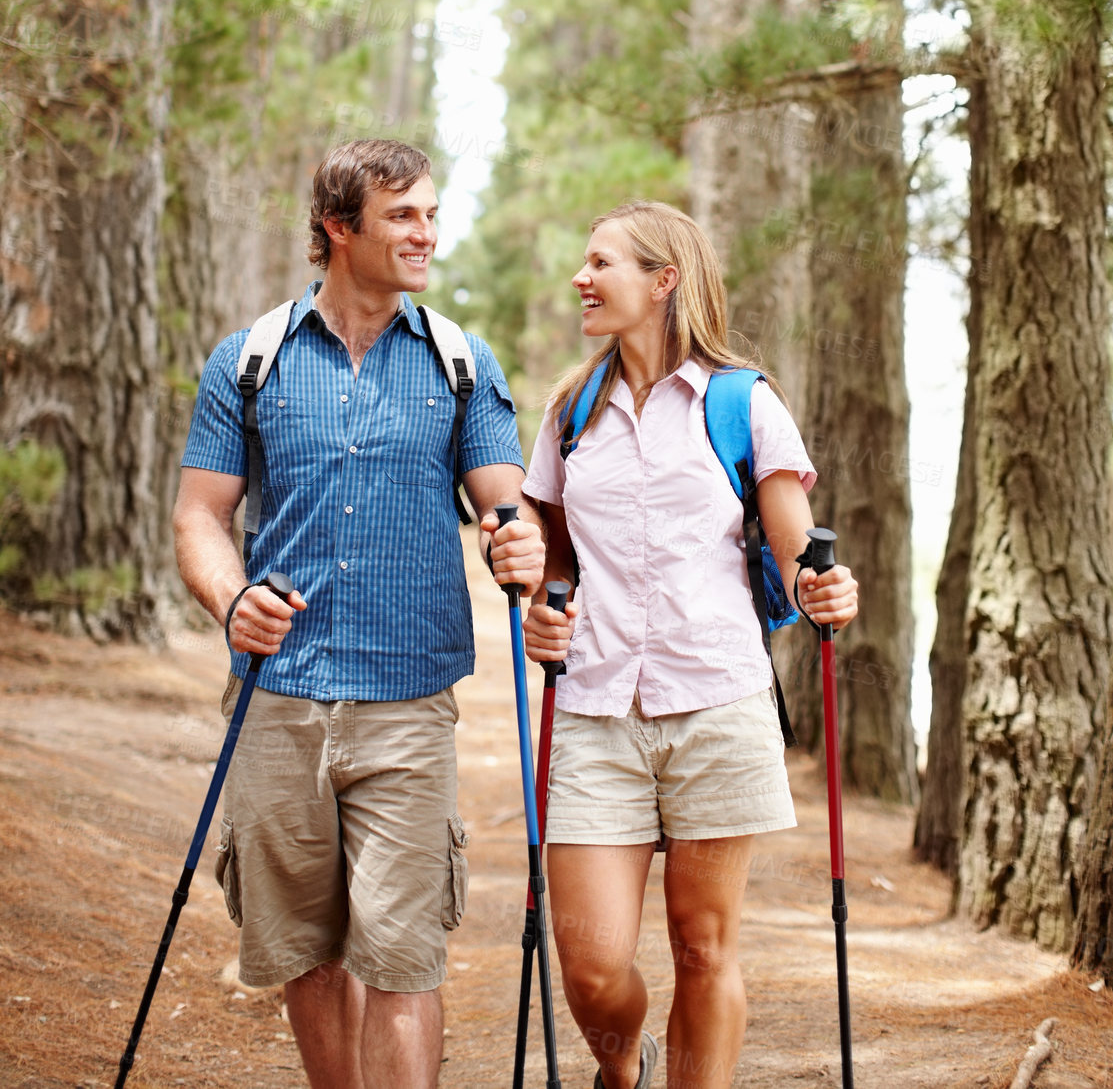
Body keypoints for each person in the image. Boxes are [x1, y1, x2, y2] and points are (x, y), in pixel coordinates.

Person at [172, 139, 545, 1089]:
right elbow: (201, 518)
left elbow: (506, 502)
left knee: (403, 955)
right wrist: (232, 598)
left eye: (430, 213)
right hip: (276, 698)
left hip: (407, 703)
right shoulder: (248, 361)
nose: (427, 233)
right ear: (341, 229)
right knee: (305, 951)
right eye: (404, 216)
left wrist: (519, 539)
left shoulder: (461, 362)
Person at [522, 200, 858, 1089]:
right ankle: (626, 1064)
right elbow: (551, 553)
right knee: (591, 968)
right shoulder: (570, 408)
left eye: (601, 264)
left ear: (663, 281)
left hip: (717, 700)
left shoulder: (742, 402)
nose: (580, 279)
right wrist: (543, 605)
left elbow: (795, 556)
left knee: (704, 949)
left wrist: (825, 589)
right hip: (596, 709)